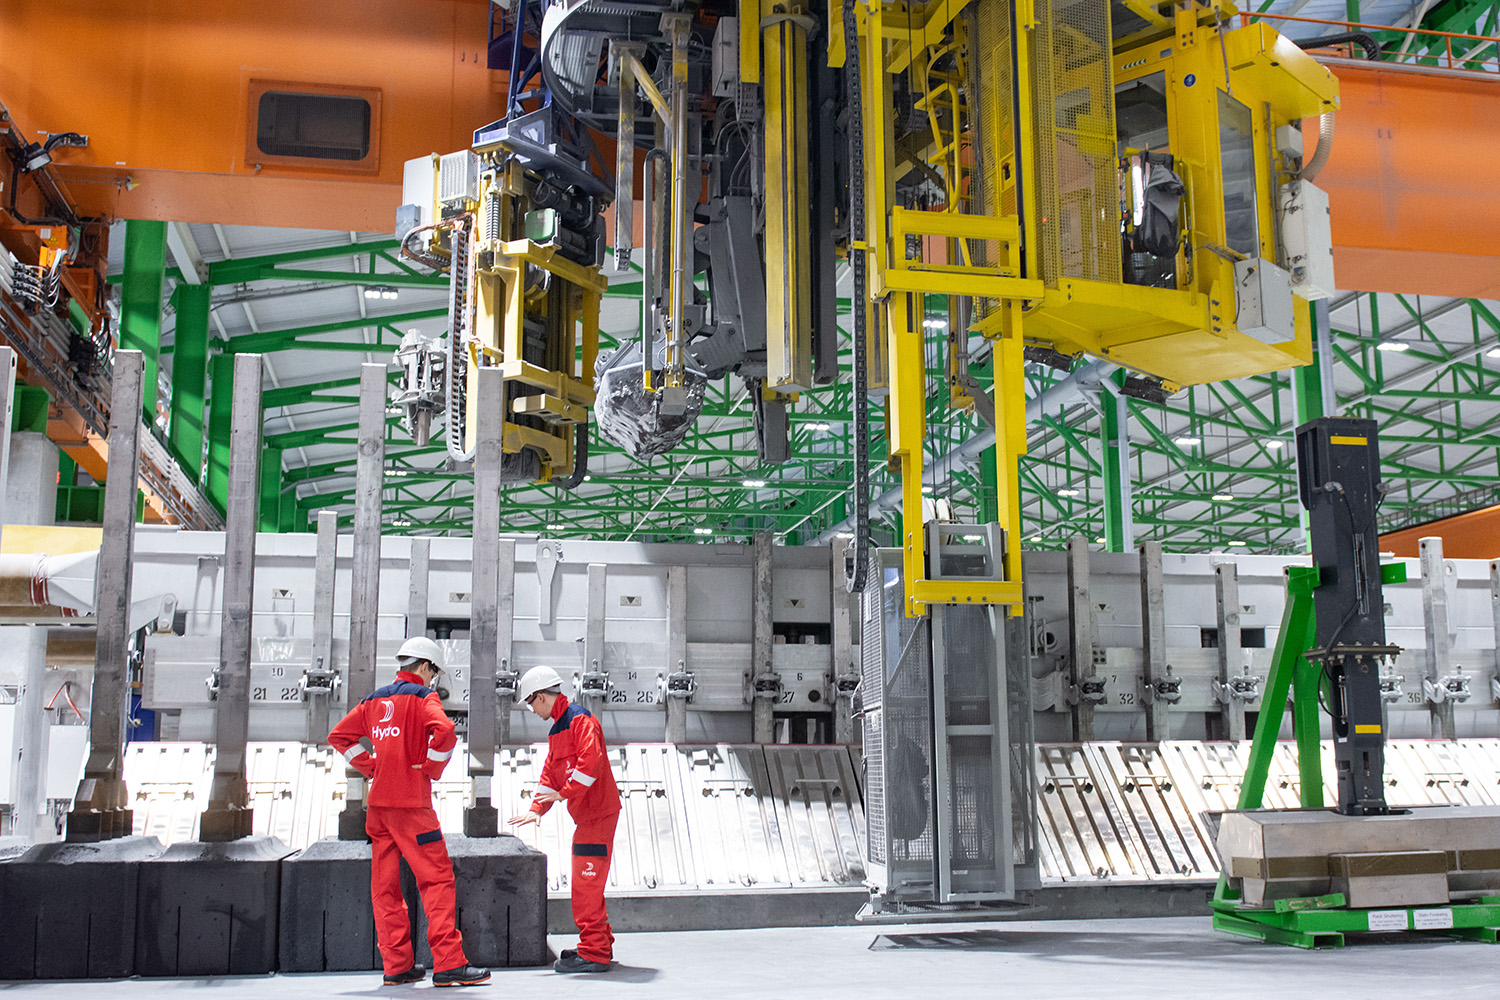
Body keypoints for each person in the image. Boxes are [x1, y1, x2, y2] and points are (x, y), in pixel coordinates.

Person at [328, 636, 490, 988]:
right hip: (413, 806)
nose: (434, 679)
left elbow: (339, 736)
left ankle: (397, 966)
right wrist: (430, 769)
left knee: (385, 889)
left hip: (379, 809)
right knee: (435, 881)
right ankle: (448, 964)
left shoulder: (373, 700)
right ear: (425, 667)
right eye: (434, 672)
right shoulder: (423, 697)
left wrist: (371, 767)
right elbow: (445, 732)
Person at [507, 665, 621, 974]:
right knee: (588, 884)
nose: (532, 710)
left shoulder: (579, 720)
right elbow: (550, 775)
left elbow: (591, 763)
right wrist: (535, 809)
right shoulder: (559, 729)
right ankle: (598, 943)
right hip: (589, 818)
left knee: (585, 886)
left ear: (542, 696)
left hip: (598, 815)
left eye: (531, 703)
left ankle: (594, 952)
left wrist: (564, 794)